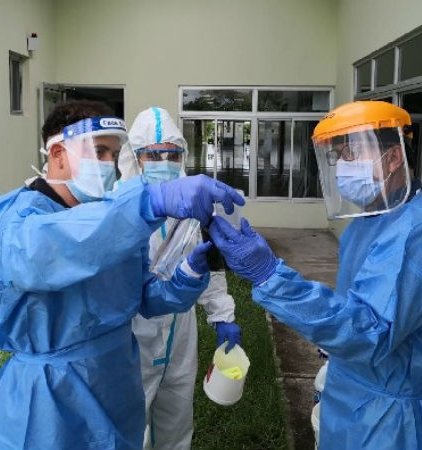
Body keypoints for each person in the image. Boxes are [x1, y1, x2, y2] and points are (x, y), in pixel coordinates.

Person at [0, 100, 244, 450]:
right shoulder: (16, 214)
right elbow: (39, 255)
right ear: (57, 153)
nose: (108, 166)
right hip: (49, 398)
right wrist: (148, 203)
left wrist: (188, 277)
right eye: (99, 151)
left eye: (112, 154)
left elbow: (140, 294)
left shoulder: (109, 219)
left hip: (114, 382)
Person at [209, 101, 422, 450]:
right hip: (356, 398)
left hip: (396, 424)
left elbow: (368, 332)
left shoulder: (418, 234)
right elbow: (355, 307)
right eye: (338, 156)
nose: (343, 167)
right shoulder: (374, 220)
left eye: (353, 154)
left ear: (393, 159)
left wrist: (271, 276)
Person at [119, 107, 241, 450]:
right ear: (135, 158)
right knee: (128, 417)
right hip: (132, 329)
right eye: (153, 154)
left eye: (172, 154)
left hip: (180, 326)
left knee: (176, 412)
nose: (164, 161)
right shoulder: (115, 205)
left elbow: (209, 264)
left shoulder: (194, 204)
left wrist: (222, 317)